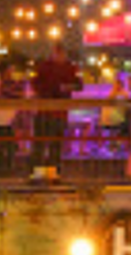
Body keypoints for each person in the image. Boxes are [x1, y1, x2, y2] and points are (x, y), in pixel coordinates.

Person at [31, 43, 81, 177]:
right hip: (49, 111)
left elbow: (78, 85)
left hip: (55, 112)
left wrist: (64, 88)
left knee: (53, 144)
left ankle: (50, 172)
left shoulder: (67, 68)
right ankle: (41, 172)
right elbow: (36, 83)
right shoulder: (49, 67)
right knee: (44, 143)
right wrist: (61, 89)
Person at [0, 62, 24, 176]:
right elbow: (17, 95)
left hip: (5, 117)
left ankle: (4, 167)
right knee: (5, 144)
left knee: (5, 144)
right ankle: (4, 167)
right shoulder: (3, 85)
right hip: (4, 117)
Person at [100, 74, 131, 153]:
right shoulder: (113, 93)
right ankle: (115, 148)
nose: (118, 85)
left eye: (120, 83)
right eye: (117, 83)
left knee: (120, 128)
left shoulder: (123, 93)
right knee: (118, 128)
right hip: (114, 118)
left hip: (117, 118)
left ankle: (116, 147)